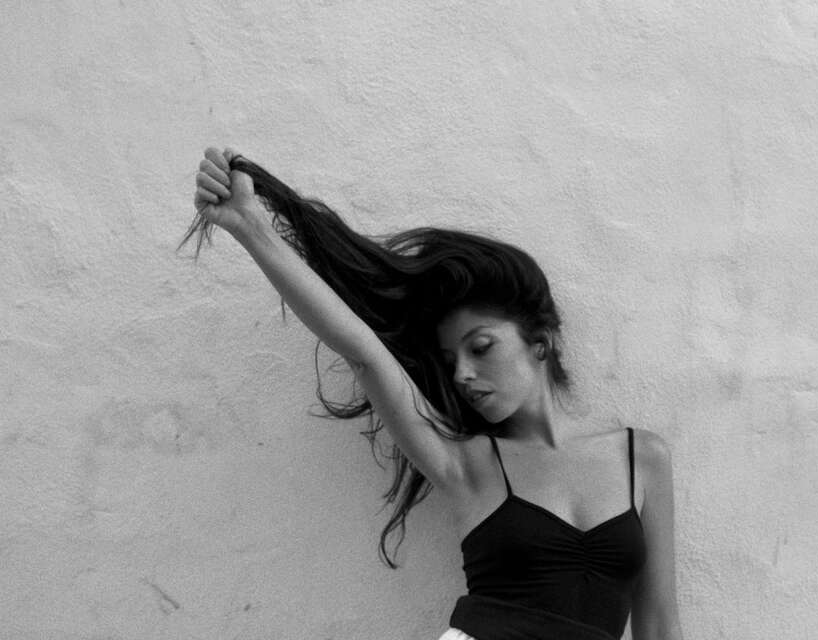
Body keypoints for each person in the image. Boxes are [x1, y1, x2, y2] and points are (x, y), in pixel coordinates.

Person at [186, 147, 684, 640]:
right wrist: (249, 224)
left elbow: (660, 626)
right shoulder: (466, 462)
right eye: (451, 362)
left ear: (541, 341)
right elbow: (364, 352)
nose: (463, 375)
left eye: (481, 347)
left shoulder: (642, 458)